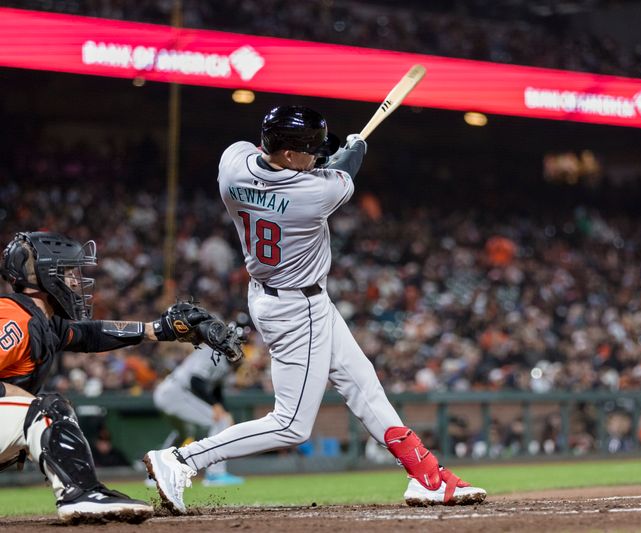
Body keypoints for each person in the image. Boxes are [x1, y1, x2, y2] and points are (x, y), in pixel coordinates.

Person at [144, 105, 486, 513]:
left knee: (363, 384)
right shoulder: (315, 194)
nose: (316, 155)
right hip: (295, 307)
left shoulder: (232, 163)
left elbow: (307, 163)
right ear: (288, 154)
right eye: (308, 150)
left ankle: (425, 474)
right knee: (290, 424)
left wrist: (324, 155)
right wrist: (355, 146)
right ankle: (182, 460)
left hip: (279, 294)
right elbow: (344, 167)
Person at [0, 231, 242, 523]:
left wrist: (157, 329)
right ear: (42, 276)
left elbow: (91, 334)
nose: (76, 280)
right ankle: (81, 494)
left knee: (43, 409)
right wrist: (27, 404)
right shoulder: (14, 319)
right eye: (66, 272)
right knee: (48, 410)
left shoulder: (44, 322)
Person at [152, 319, 248, 487]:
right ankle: (215, 474)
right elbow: (196, 381)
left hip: (171, 392)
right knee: (220, 421)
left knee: (184, 431)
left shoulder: (224, 357)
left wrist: (224, 408)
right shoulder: (212, 352)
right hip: (177, 392)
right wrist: (218, 409)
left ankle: (155, 473)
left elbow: (216, 390)